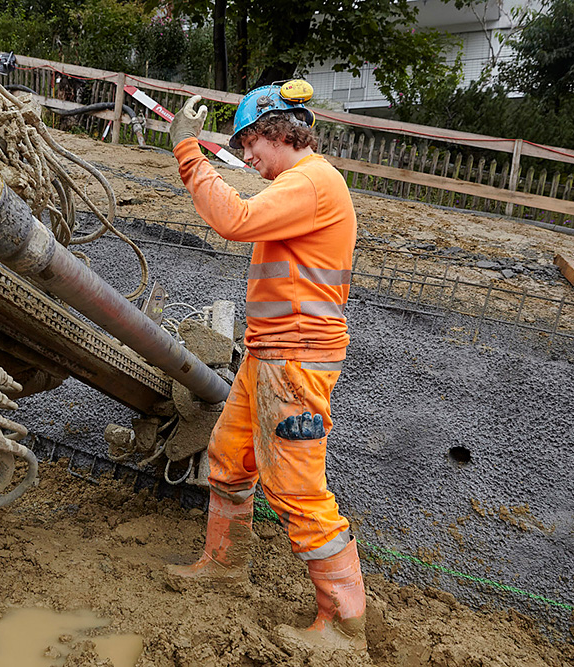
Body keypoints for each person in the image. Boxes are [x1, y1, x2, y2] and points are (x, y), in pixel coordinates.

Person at [165, 82, 366, 654]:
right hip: (269, 352)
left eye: (250, 141)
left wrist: (189, 151)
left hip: (296, 358)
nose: (247, 155)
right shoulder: (299, 185)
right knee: (229, 460)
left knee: (296, 489)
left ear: (281, 131)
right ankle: (224, 566)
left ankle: (346, 624)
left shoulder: (311, 183)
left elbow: (231, 217)